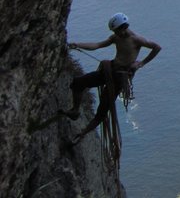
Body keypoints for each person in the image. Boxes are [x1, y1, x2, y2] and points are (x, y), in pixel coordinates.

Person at [64, 12, 161, 141]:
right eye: (114, 31)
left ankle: (82, 134)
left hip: (119, 78)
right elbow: (97, 45)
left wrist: (141, 63)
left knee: (102, 111)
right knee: (78, 83)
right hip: (109, 71)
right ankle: (75, 111)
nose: (116, 34)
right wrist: (78, 44)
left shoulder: (137, 40)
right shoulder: (116, 38)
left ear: (124, 27)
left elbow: (156, 47)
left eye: (117, 31)